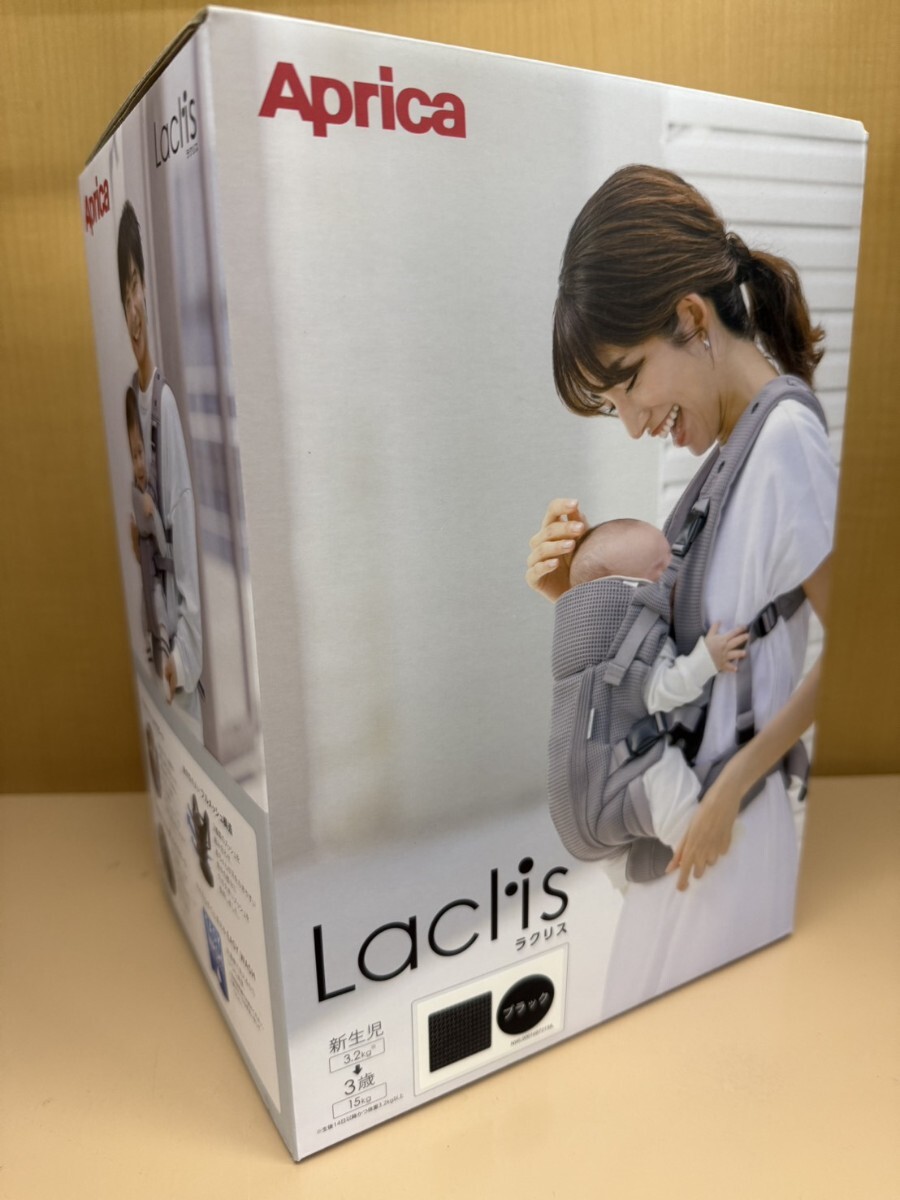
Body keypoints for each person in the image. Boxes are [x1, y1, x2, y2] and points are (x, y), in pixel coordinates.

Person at [526, 165, 835, 1017]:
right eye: (611, 402)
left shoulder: (783, 445)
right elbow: (673, 668)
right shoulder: (729, 459)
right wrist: (573, 596)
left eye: (628, 380)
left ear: (693, 320)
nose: (631, 422)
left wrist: (731, 791)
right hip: (690, 845)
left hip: (723, 841)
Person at [565, 518, 749, 887]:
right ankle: (700, 850)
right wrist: (707, 659)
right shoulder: (638, 633)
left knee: (617, 858)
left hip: (593, 782)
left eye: (673, 557)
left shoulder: (592, 642)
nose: (677, 571)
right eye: (660, 569)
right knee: (666, 774)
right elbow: (658, 690)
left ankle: (628, 882)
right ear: (625, 593)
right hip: (634, 764)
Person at [118, 201, 203, 731]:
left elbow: (184, 545)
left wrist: (181, 659)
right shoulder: (132, 397)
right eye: (123, 293)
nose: (132, 307)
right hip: (157, 646)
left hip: (176, 664)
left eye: (135, 285)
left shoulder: (161, 405)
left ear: (147, 286)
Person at [126, 386, 172, 692]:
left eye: (141, 454)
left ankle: (164, 651)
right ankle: (148, 649)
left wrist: (151, 513)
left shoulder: (151, 490)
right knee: (144, 608)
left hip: (156, 567)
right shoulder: (135, 491)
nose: (139, 464)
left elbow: (158, 534)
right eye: (134, 457)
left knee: (157, 603)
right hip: (146, 561)